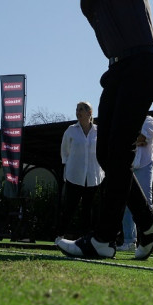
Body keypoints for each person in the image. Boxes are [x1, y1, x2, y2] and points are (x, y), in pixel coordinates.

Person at [57, 0, 153, 260]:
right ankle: (148, 221)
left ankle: (104, 239)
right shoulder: (92, 6)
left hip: (143, 66)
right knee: (108, 154)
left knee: (117, 151)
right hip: (116, 73)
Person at [56, 101, 105, 242]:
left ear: (90, 113)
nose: (78, 112)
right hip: (74, 175)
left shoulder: (99, 131)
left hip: (93, 176)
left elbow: (103, 151)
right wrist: (68, 166)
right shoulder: (71, 130)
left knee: (88, 209)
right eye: (77, 109)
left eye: (81, 109)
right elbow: (64, 152)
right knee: (69, 207)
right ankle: (59, 236)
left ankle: (86, 238)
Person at [117, 115, 153, 252]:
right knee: (127, 203)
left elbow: (143, 138)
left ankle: (150, 242)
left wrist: (130, 139)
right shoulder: (126, 119)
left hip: (144, 165)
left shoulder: (148, 120)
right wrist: (135, 139)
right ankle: (129, 241)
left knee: (147, 201)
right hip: (129, 165)